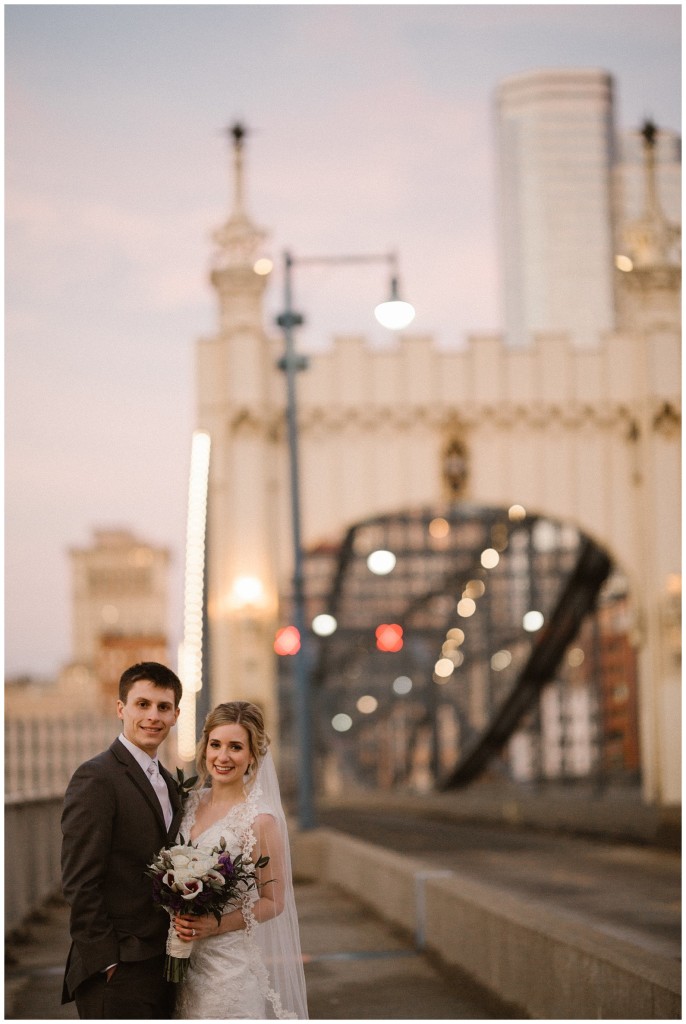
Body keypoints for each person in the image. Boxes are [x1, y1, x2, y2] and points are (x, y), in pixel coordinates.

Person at [61, 661, 184, 1019]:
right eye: (142, 704)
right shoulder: (96, 777)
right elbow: (79, 880)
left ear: (176, 714)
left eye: (163, 707)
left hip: (160, 961)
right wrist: (106, 961)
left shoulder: (170, 784)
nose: (153, 716)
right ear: (121, 709)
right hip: (117, 968)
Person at [172, 701, 309, 1020]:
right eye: (216, 744)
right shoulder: (188, 803)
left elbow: (274, 901)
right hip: (180, 966)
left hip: (227, 972)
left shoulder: (260, 821)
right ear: (205, 747)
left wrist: (214, 924)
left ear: (252, 755)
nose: (223, 756)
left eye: (235, 747)